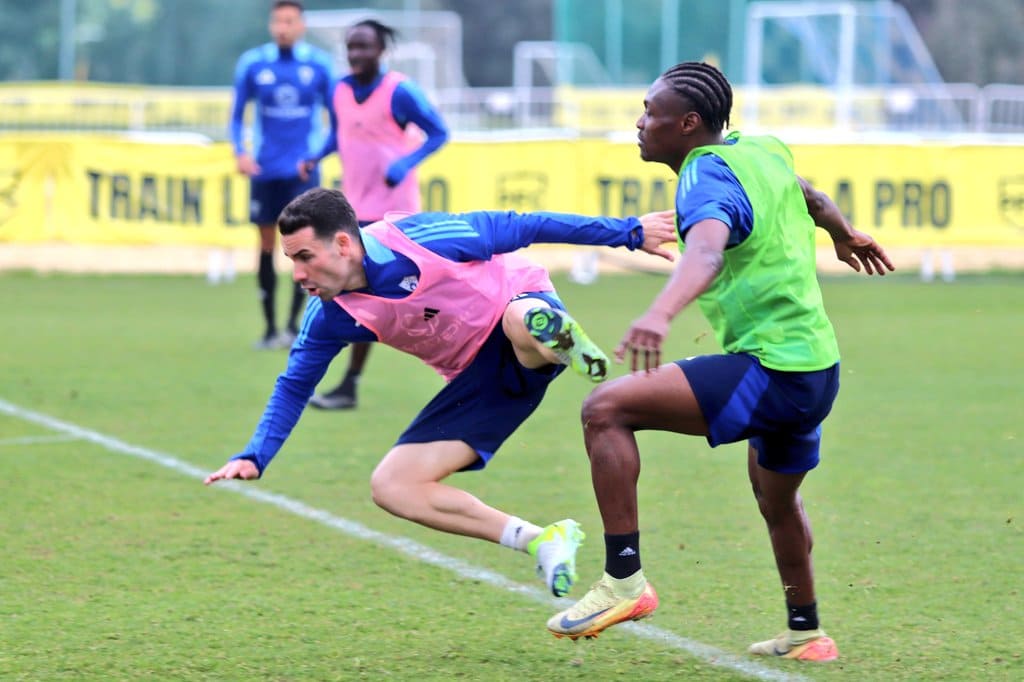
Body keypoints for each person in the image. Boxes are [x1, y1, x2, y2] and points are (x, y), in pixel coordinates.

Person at [546, 62, 895, 660]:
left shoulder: (702, 178)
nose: (639, 122)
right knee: (776, 498)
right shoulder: (761, 149)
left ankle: (623, 581)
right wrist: (843, 232)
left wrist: (660, 314)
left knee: (605, 408)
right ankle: (807, 632)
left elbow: (705, 251)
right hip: (816, 366)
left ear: (686, 124)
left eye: (650, 112)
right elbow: (810, 196)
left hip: (775, 369)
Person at [204, 187, 678, 598]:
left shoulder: (421, 239)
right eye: (291, 260)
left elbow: (524, 224)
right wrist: (256, 455)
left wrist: (629, 232)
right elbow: (293, 386)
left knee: (520, 322)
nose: (298, 273)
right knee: (392, 487)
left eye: (304, 257)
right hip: (478, 379)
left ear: (344, 244)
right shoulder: (330, 316)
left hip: (515, 308)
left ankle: (555, 337)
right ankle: (542, 539)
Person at [302, 19, 450, 409]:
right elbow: (338, 134)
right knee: (353, 295)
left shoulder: (399, 92)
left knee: (390, 298)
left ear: (381, 50)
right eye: (351, 47)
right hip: (353, 211)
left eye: (364, 47)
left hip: (395, 216)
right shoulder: (339, 90)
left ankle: (459, 358)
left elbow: (439, 133)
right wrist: (316, 154)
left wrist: (406, 162)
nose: (356, 55)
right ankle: (347, 383)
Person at [230, 0, 336, 350]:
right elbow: (236, 115)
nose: (283, 27)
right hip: (264, 169)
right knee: (264, 244)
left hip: (301, 172)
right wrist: (241, 152)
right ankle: (269, 328)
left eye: (290, 21)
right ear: (271, 25)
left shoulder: (318, 65)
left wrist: (316, 153)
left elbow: (334, 119)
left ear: (301, 25)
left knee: (303, 248)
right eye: (278, 21)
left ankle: (293, 326)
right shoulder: (253, 63)